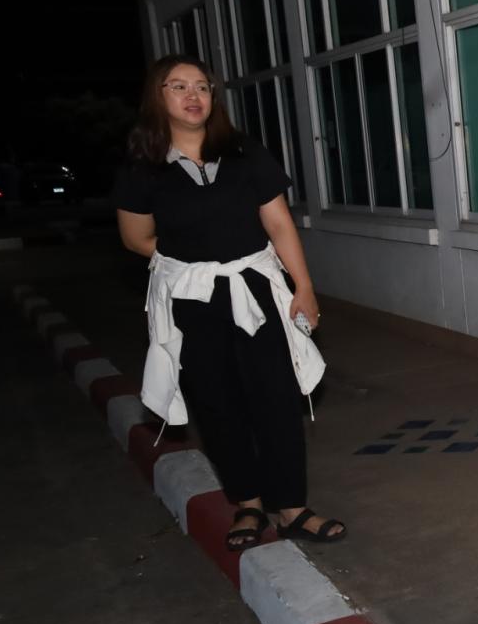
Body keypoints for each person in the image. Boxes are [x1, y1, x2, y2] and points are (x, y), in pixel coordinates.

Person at [115, 54, 346, 549]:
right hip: (192, 299)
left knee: (277, 398)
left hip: (255, 290)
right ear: (158, 97)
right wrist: (192, 264)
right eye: (179, 86)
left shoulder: (243, 151)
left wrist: (303, 286)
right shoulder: (144, 167)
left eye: (202, 86)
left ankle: (292, 508)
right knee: (216, 402)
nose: (193, 96)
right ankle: (248, 505)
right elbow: (136, 238)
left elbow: (278, 223)